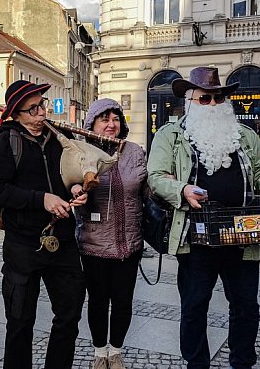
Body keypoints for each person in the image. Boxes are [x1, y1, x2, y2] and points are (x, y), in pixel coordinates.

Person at [147, 66, 260, 369]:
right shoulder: (171, 135)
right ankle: (197, 364)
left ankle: (242, 362)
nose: (213, 105)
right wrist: (181, 188)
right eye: (205, 99)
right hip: (195, 238)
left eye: (218, 99)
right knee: (194, 307)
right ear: (190, 101)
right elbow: (155, 177)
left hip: (242, 233)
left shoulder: (244, 134)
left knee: (246, 306)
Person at [0, 80, 87, 369]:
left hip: (63, 243)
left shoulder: (59, 137)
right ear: (16, 114)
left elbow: (73, 173)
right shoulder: (8, 142)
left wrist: (76, 189)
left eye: (42, 105)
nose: (42, 113)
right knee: (20, 322)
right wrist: (40, 199)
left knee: (68, 317)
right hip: (23, 246)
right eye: (33, 109)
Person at [75, 99, 146, 369]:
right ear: (91, 123)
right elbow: (68, 182)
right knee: (97, 301)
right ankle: (99, 353)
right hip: (94, 244)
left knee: (123, 301)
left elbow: (146, 188)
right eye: (104, 119)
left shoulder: (134, 152)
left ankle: (115, 352)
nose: (111, 124)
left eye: (115, 119)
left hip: (129, 243)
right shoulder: (81, 151)